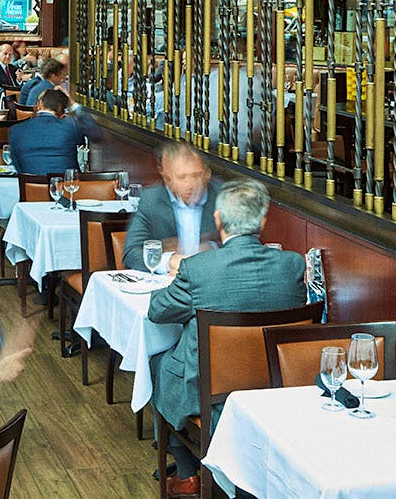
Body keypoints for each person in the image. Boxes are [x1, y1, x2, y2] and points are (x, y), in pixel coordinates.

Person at [146, 179, 306, 496]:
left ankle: (188, 470)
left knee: (158, 363)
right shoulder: (292, 265)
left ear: (218, 220)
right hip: (274, 388)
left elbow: (158, 312)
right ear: (262, 222)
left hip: (208, 395)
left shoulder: (197, 269)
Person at [123, 142, 221, 274]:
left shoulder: (222, 197)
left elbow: (241, 247)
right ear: (167, 178)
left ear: (207, 173)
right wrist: (169, 262)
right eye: (182, 177)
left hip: (212, 277)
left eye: (196, 175)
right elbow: (131, 253)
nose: (190, 184)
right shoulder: (151, 200)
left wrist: (212, 248)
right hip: (170, 282)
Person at [6, 89, 98, 176]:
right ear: (62, 112)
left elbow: (18, 167)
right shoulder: (71, 126)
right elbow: (96, 134)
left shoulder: (15, 130)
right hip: (67, 189)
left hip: (31, 189)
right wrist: (74, 106)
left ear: (40, 104)